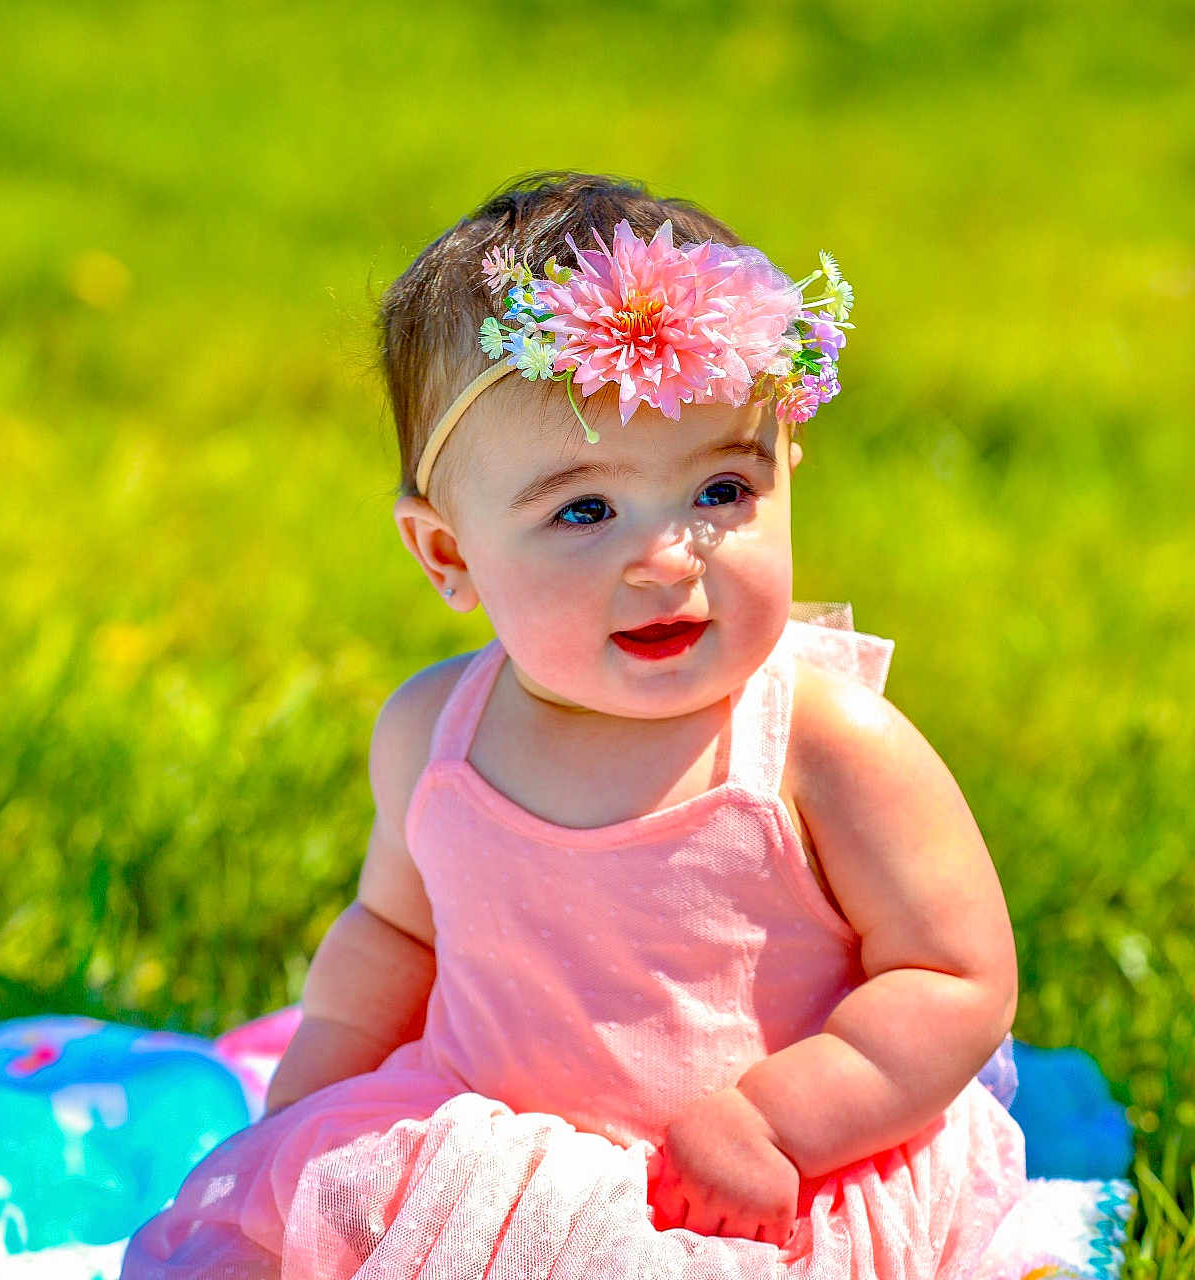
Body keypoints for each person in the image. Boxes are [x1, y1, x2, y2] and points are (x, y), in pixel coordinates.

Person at [125, 172, 1030, 1278]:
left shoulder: (819, 741)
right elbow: (393, 935)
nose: (667, 557)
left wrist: (784, 1121)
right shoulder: (433, 731)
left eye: (720, 491)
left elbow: (953, 976)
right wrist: (311, 1110)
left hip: (745, 1194)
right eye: (584, 510)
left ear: (784, 469)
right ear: (448, 555)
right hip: (489, 1169)